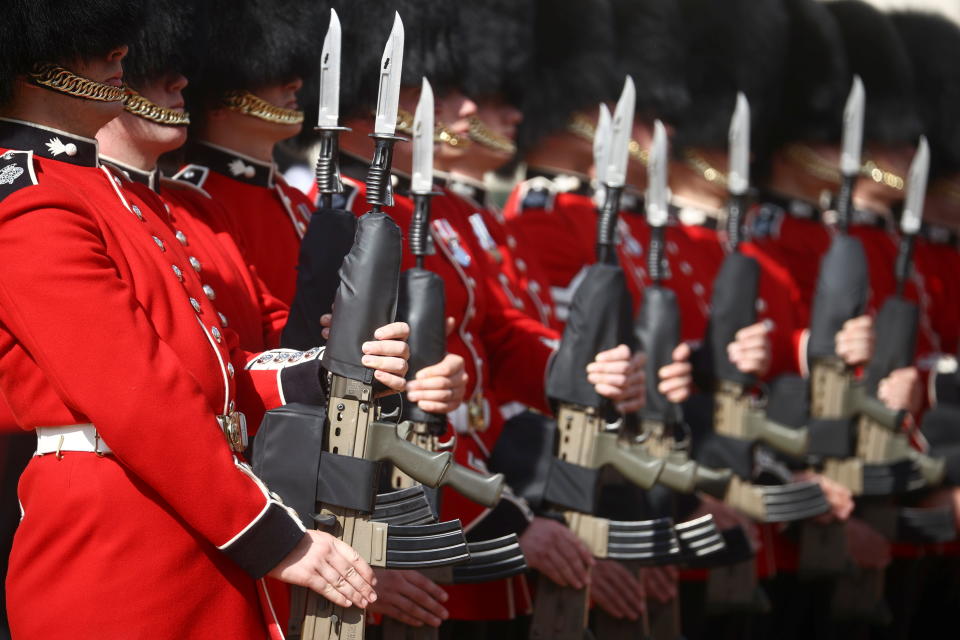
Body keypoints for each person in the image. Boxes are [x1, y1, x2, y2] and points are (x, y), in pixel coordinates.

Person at [0, 1, 413, 636]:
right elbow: (137, 396)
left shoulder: (114, 195)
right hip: (119, 553)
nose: (121, 55)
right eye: (96, 41)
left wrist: (330, 373)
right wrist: (272, 535)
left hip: (198, 536)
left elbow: (208, 376)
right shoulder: (29, 201)